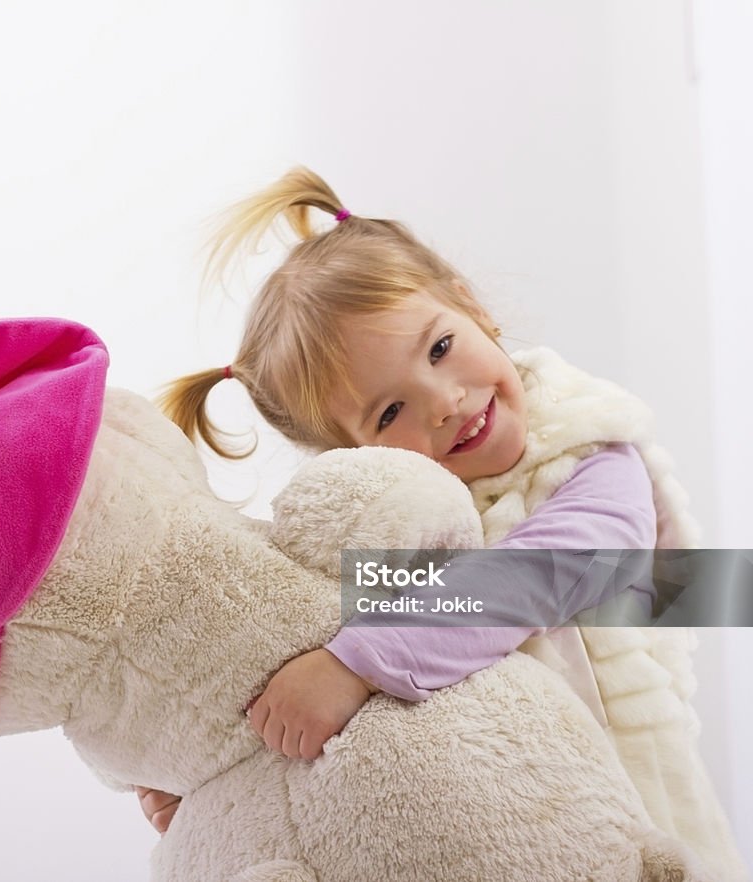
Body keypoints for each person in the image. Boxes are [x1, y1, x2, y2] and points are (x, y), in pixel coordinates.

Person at [136, 168, 745, 880]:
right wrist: (211, 768)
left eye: (438, 349)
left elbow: (543, 576)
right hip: (479, 835)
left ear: (470, 303)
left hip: (622, 820)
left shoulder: (591, 456)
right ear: (355, 454)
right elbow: (287, 638)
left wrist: (355, 662)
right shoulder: (384, 539)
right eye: (389, 413)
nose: (445, 401)